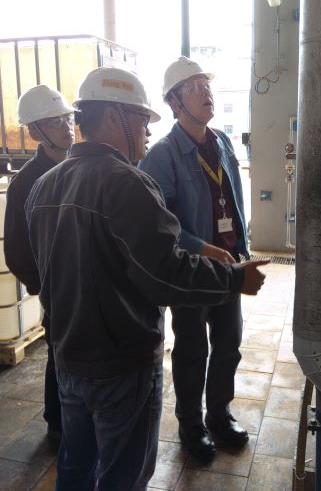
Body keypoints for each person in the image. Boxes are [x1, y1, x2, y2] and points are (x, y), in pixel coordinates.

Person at [25, 66, 267, 491]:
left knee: (76, 467)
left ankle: (217, 413)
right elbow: (164, 274)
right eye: (141, 119)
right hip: (121, 364)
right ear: (113, 116)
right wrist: (233, 280)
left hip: (69, 360)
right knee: (124, 476)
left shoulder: (44, 186)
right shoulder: (128, 183)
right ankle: (193, 423)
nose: (147, 131)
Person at [139, 56, 251, 463]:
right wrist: (205, 250)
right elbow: (160, 224)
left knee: (229, 343)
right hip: (191, 271)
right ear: (175, 103)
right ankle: (191, 424)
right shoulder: (162, 156)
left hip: (228, 265)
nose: (207, 94)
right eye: (196, 88)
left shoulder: (221, 142)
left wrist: (240, 246)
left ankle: (219, 414)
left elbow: (232, 199)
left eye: (207, 86)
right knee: (192, 350)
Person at [4, 85, 75, 444]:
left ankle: (74, 420)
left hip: (85, 283)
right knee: (59, 353)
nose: (66, 127)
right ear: (34, 132)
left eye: (67, 118)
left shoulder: (81, 167)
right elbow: (16, 252)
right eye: (54, 122)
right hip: (57, 288)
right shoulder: (26, 184)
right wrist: (44, 285)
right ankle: (57, 424)